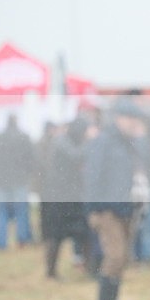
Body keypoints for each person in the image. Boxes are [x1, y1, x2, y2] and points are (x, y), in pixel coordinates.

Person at [84, 99, 149, 300]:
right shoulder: (103, 142)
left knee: (121, 259)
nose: (134, 123)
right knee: (115, 257)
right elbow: (92, 176)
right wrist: (93, 210)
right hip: (107, 210)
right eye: (131, 119)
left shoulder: (128, 143)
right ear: (119, 119)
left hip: (126, 209)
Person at [43, 117, 91, 279]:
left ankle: (90, 269)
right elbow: (76, 156)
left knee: (84, 233)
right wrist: (90, 142)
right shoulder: (61, 141)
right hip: (59, 198)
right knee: (55, 236)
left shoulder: (67, 140)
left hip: (72, 196)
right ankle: (51, 272)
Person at [0, 114, 36, 250]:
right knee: (21, 211)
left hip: (1, 180)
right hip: (19, 180)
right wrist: (28, 173)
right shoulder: (24, 137)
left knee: (1, 212)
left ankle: (1, 242)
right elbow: (32, 159)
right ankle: (22, 239)